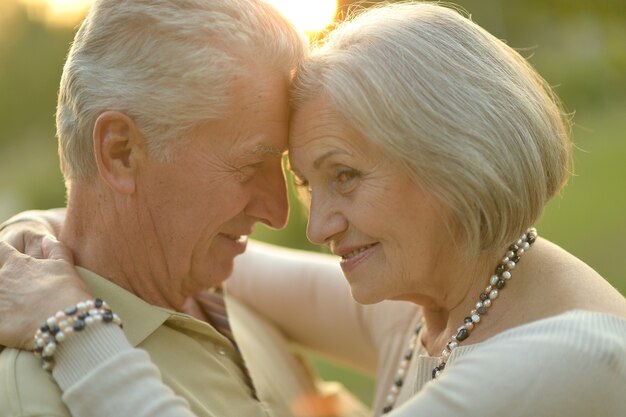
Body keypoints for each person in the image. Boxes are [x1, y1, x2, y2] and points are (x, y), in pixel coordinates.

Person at [1, 2, 626, 417]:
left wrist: (73, 326)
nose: (310, 223)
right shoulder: (433, 312)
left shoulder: (561, 360)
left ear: (454, 159)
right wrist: (27, 241)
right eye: (303, 180)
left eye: (346, 176)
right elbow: (185, 251)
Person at [0, 1, 371, 417]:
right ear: (120, 152)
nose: (278, 213)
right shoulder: (35, 396)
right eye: (251, 165)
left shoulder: (237, 310)